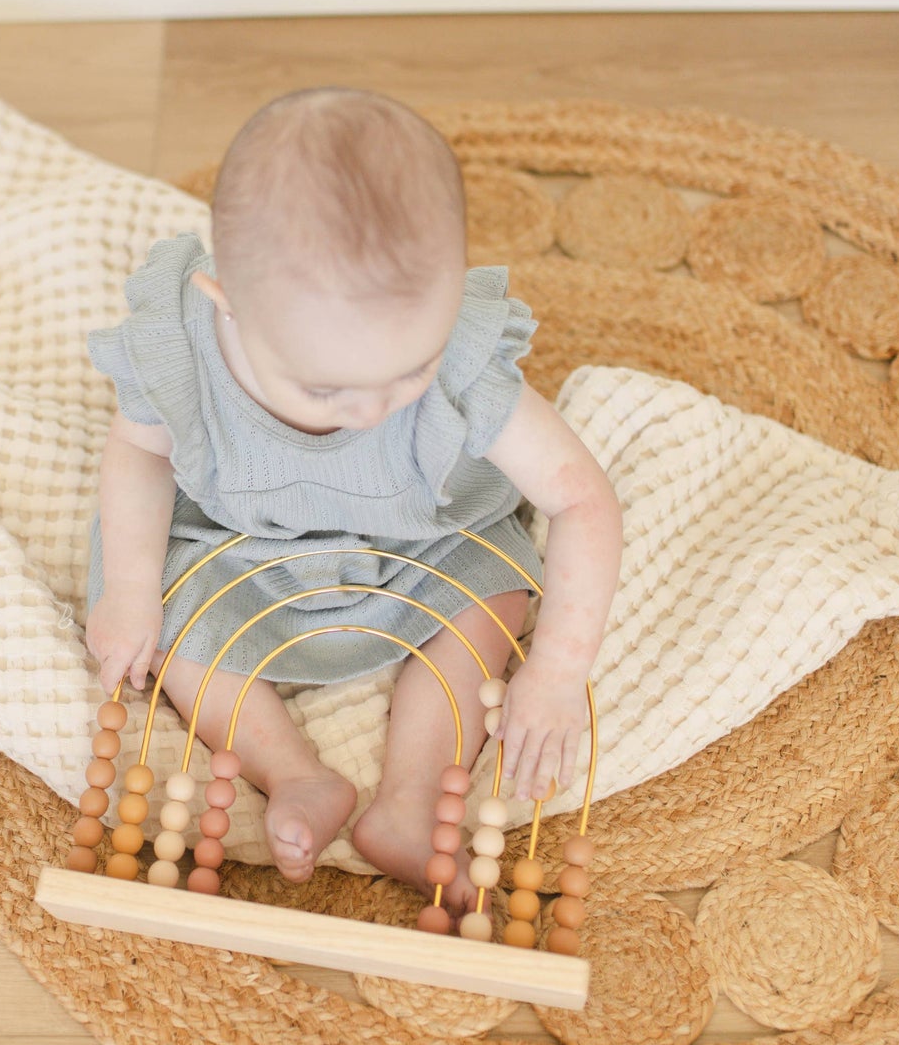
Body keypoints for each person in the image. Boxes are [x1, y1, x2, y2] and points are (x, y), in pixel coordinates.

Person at [84, 86, 621, 910]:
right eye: (327, 388)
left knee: (493, 595)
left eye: (410, 370)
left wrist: (554, 668)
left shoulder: (462, 367)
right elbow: (137, 454)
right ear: (224, 300)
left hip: (423, 548)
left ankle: (407, 801)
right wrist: (128, 594)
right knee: (174, 624)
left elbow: (581, 500)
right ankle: (292, 774)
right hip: (244, 555)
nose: (373, 411)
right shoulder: (182, 347)